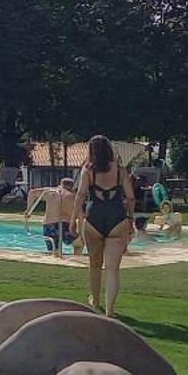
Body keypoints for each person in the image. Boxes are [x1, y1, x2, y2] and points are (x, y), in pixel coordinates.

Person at [75, 135, 137, 315]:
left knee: (94, 265)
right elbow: (131, 197)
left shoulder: (88, 170)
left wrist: (73, 221)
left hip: (93, 217)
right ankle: (110, 310)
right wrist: (130, 218)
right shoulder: (120, 170)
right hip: (117, 218)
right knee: (112, 269)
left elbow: (80, 195)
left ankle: (95, 302)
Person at [24, 176, 81, 256]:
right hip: (63, 225)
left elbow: (31, 193)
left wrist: (28, 210)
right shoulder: (71, 196)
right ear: (71, 186)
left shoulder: (50, 191)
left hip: (48, 226)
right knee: (79, 244)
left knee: (54, 252)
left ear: (61, 184)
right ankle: (76, 259)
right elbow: (80, 216)